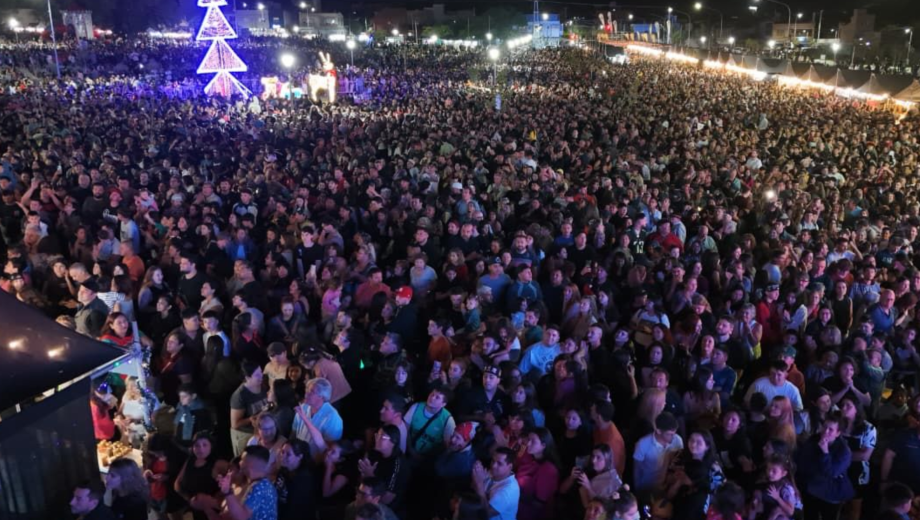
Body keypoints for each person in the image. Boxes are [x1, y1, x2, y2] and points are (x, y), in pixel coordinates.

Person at [796, 413, 853, 520]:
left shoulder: (844, 451)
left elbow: (832, 472)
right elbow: (802, 462)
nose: (826, 432)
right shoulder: (813, 439)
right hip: (811, 489)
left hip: (830, 494)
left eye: (830, 430)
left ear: (837, 433)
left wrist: (825, 453)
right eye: (825, 427)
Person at [217, 445, 278, 520]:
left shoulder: (261, 487)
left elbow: (241, 516)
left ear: (250, 463)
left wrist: (228, 492)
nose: (239, 463)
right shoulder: (260, 484)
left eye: (242, 460)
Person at [292, 377, 344, 459]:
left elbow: (330, 450)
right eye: (307, 389)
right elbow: (294, 432)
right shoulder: (303, 407)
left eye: (312, 391)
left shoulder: (333, 417)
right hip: (298, 457)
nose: (306, 393)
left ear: (322, 397)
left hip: (315, 461)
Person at [174, 432, 222, 520]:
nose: (201, 449)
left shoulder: (219, 464)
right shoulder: (190, 460)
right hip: (195, 510)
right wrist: (189, 499)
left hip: (213, 513)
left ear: (211, 446)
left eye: (205, 445)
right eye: (197, 445)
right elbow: (177, 483)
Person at [230, 362, 269, 457]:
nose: (261, 376)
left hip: (259, 432)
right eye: (257, 375)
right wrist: (251, 419)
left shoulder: (263, 385)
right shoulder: (240, 395)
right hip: (245, 435)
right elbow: (235, 424)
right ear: (247, 378)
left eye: (261, 372)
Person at [471, 447, 520, 520]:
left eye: (499, 464)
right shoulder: (493, 473)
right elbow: (473, 488)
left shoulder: (508, 490)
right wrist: (477, 477)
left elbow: (486, 514)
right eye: (493, 461)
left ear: (510, 467)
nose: (493, 466)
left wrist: (479, 486)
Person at [276, 439, 316, 520]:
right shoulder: (284, 469)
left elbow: (295, 510)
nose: (282, 456)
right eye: (282, 452)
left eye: (288, 454)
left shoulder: (303, 479)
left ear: (300, 457)